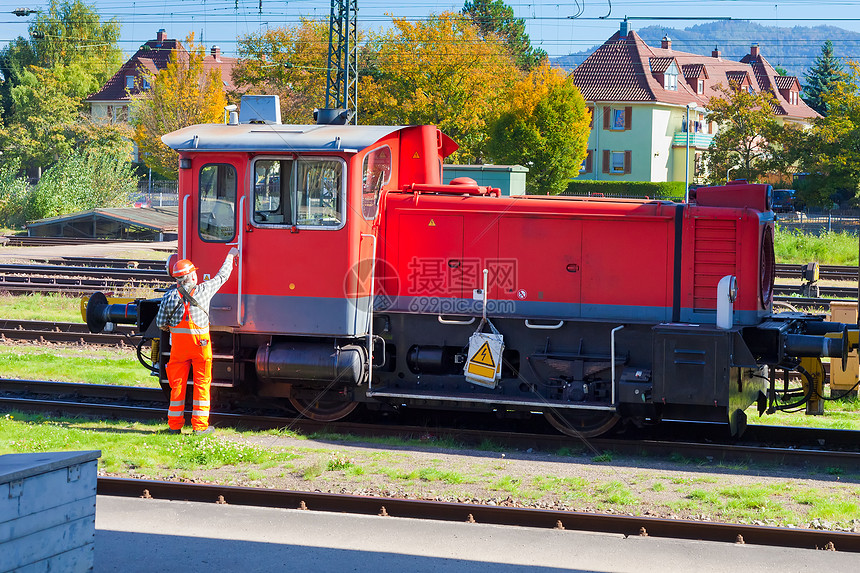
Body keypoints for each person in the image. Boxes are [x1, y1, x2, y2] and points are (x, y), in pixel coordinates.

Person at [156, 247, 239, 434]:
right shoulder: (203, 290)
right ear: (191, 277)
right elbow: (221, 277)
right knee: (202, 383)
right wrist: (230, 256)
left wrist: (175, 330)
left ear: (177, 279)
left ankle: (174, 427)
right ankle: (200, 428)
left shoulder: (169, 297)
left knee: (177, 384)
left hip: (179, 347)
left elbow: (161, 323)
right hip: (201, 346)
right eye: (194, 273)